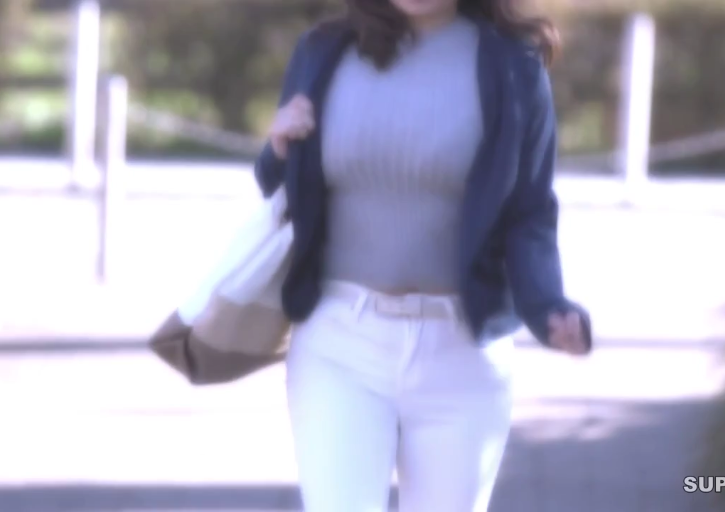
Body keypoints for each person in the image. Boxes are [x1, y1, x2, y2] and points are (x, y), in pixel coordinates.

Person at [254, 0, 592, 510]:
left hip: (463, 352)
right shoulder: (322, 51)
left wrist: (548, 307)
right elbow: (284, 191)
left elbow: (529, 214)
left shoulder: (513, 67)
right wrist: (278, 149)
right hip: (339, 344)